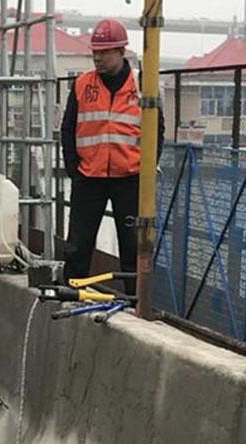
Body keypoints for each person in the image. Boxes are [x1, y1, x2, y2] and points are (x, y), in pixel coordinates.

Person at [61, 19, 164, 295]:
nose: (98, 58)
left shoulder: (143, 84)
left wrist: (148, 167)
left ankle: (134, 300)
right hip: (89, 176)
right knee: (78, 244)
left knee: (132, 245)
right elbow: (68, 127)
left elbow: (157, 129)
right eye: (95, 52)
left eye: (104, 52)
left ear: (121, 52)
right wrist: (74, 169)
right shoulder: (83, 84)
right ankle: (71, 293)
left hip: (129, 178)